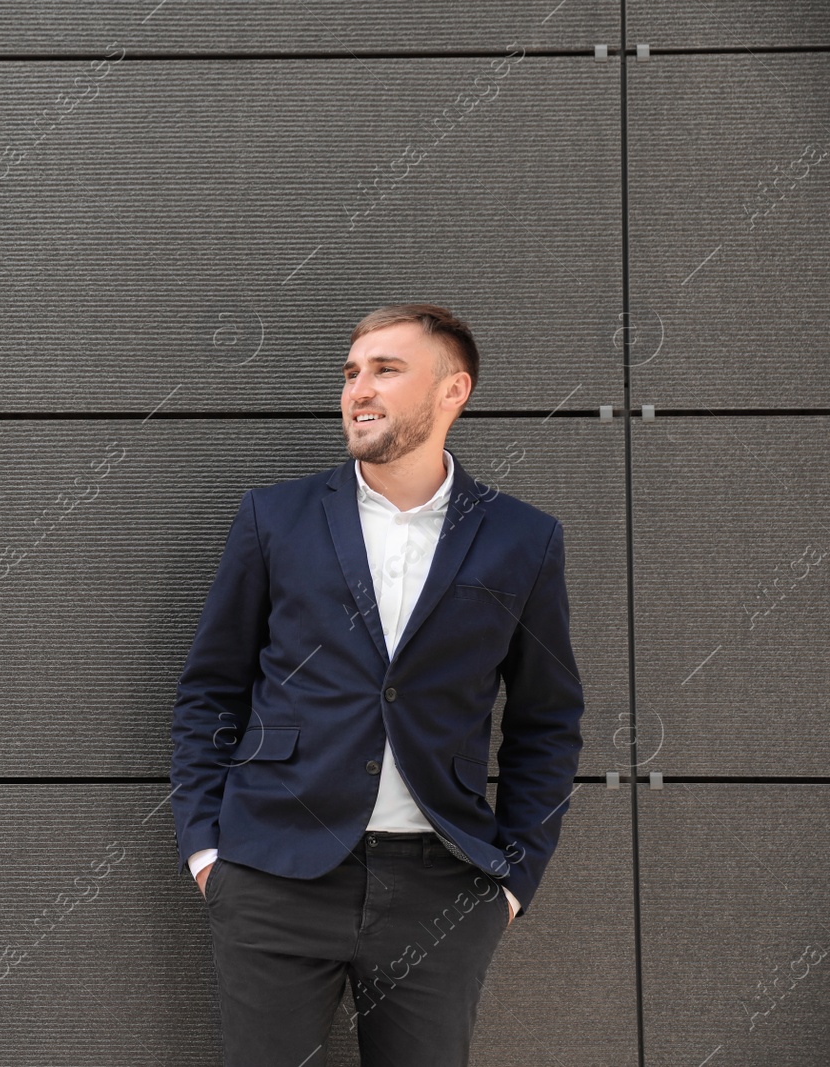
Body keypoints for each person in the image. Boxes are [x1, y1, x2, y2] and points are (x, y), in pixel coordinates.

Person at [169, 303, 584, 1067]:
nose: (359, 388)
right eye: (352, 373)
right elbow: (210, 689)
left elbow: (547, 720)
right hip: (272, 874)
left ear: (452, 390)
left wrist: (513, 878)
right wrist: (206, 849)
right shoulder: (276, 517)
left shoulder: (523, 539)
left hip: (441, 883)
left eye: (386, 370)